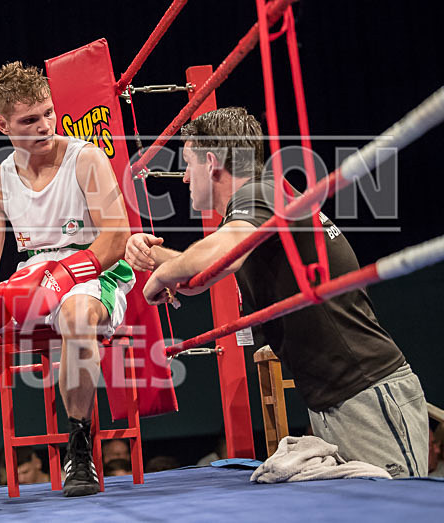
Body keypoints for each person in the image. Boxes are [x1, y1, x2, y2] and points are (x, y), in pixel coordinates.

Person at [131, 106, 428, 478]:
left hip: (363, 390)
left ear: (211, 161)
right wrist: (153, 255)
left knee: (399, 512)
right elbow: (206, 273)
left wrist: (158, 279)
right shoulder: (265, 200)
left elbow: (219, 255)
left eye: (188, 163)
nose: (185, 177)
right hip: (338, 397)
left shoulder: (260, 193)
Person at [0, 61, 133, 497]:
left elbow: (117, 236)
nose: (44, 125)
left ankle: (79, 445)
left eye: (48, 113)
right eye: (30, 120)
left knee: (75, 317)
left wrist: (66, 274)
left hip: (93, 269)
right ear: (2, 124)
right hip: (30, 275)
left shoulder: (85, 158)